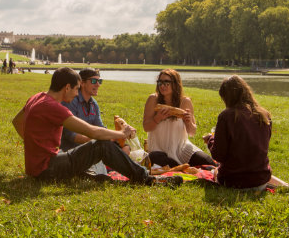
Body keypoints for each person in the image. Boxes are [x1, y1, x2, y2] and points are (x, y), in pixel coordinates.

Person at [12, 67, 181, 187]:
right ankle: (147, 179)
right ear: (67, 87)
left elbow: (17, 122)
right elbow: (91, 132)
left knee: (96, 163)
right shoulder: (54, 107)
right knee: (102, 146)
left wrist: (35, 145)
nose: (77, 93)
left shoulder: (37, 97)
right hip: (48, 169)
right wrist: (121, 133)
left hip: (39, 166)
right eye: (76, 89)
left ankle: (101, 174)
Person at [203, 75, 289, 191]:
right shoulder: (264, 115)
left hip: (233, 181)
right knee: (251, 170)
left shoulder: (226, 116)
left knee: (216, 170)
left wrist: (210, 140)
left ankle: (285, 186)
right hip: (260, 179)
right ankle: (286, 186)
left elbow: (219, 155)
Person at [142, 69, 214, 168]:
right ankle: (180, 167)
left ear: (175, 84)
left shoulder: (185, 102)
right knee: (154, 157)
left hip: (182, 148)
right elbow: (146, 127)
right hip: (159, 150)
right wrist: (157, 118)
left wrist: (188, 122)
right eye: (160, 82)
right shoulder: (153, 99)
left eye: (166, 82)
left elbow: (192, 132)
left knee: (208, 162)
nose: (162, 86)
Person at [60, 68, 112, 175]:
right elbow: (69, 135)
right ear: (82, 83)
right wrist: (95, 140)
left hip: (90, 149)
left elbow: (100, 128)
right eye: (94, 81)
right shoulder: (71, 101)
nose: (98, 84)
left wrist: (115, 137)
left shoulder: (94, 104)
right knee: (100, 173)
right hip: (71, 152)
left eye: (100, 81)